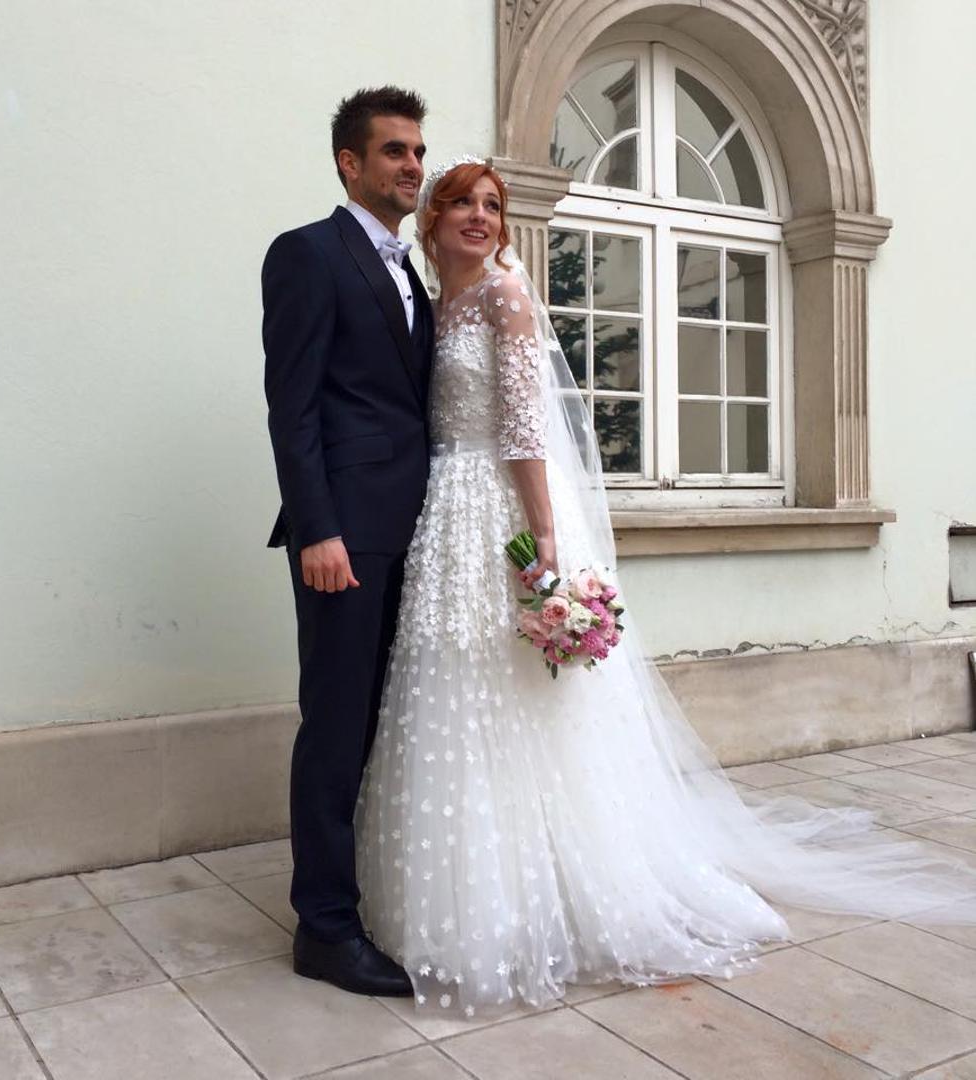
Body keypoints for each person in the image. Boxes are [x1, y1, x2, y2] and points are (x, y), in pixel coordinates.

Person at [354, 156, 976, 1016]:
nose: (480, 216)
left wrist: (543, 545)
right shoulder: (437, 305)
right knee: (454, 685)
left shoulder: (504, 296)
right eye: (461, 202)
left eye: (492, 205)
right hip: (445, 516)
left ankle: (556, 890)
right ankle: (465, 890)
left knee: (529, 697)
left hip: (503, 512)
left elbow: (528, 430)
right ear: (432, 220)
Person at [261, 87, 435, 996]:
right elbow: (291, 408)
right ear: (350, 162)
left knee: (379, 722)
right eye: (395, 150)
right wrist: (317, 529)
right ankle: (325, 930)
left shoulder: (412, 272)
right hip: (345, 539)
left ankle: (363, 895)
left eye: (418, 151)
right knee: (334, 727)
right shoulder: (307, 254)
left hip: (411, 533)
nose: (413, 165)